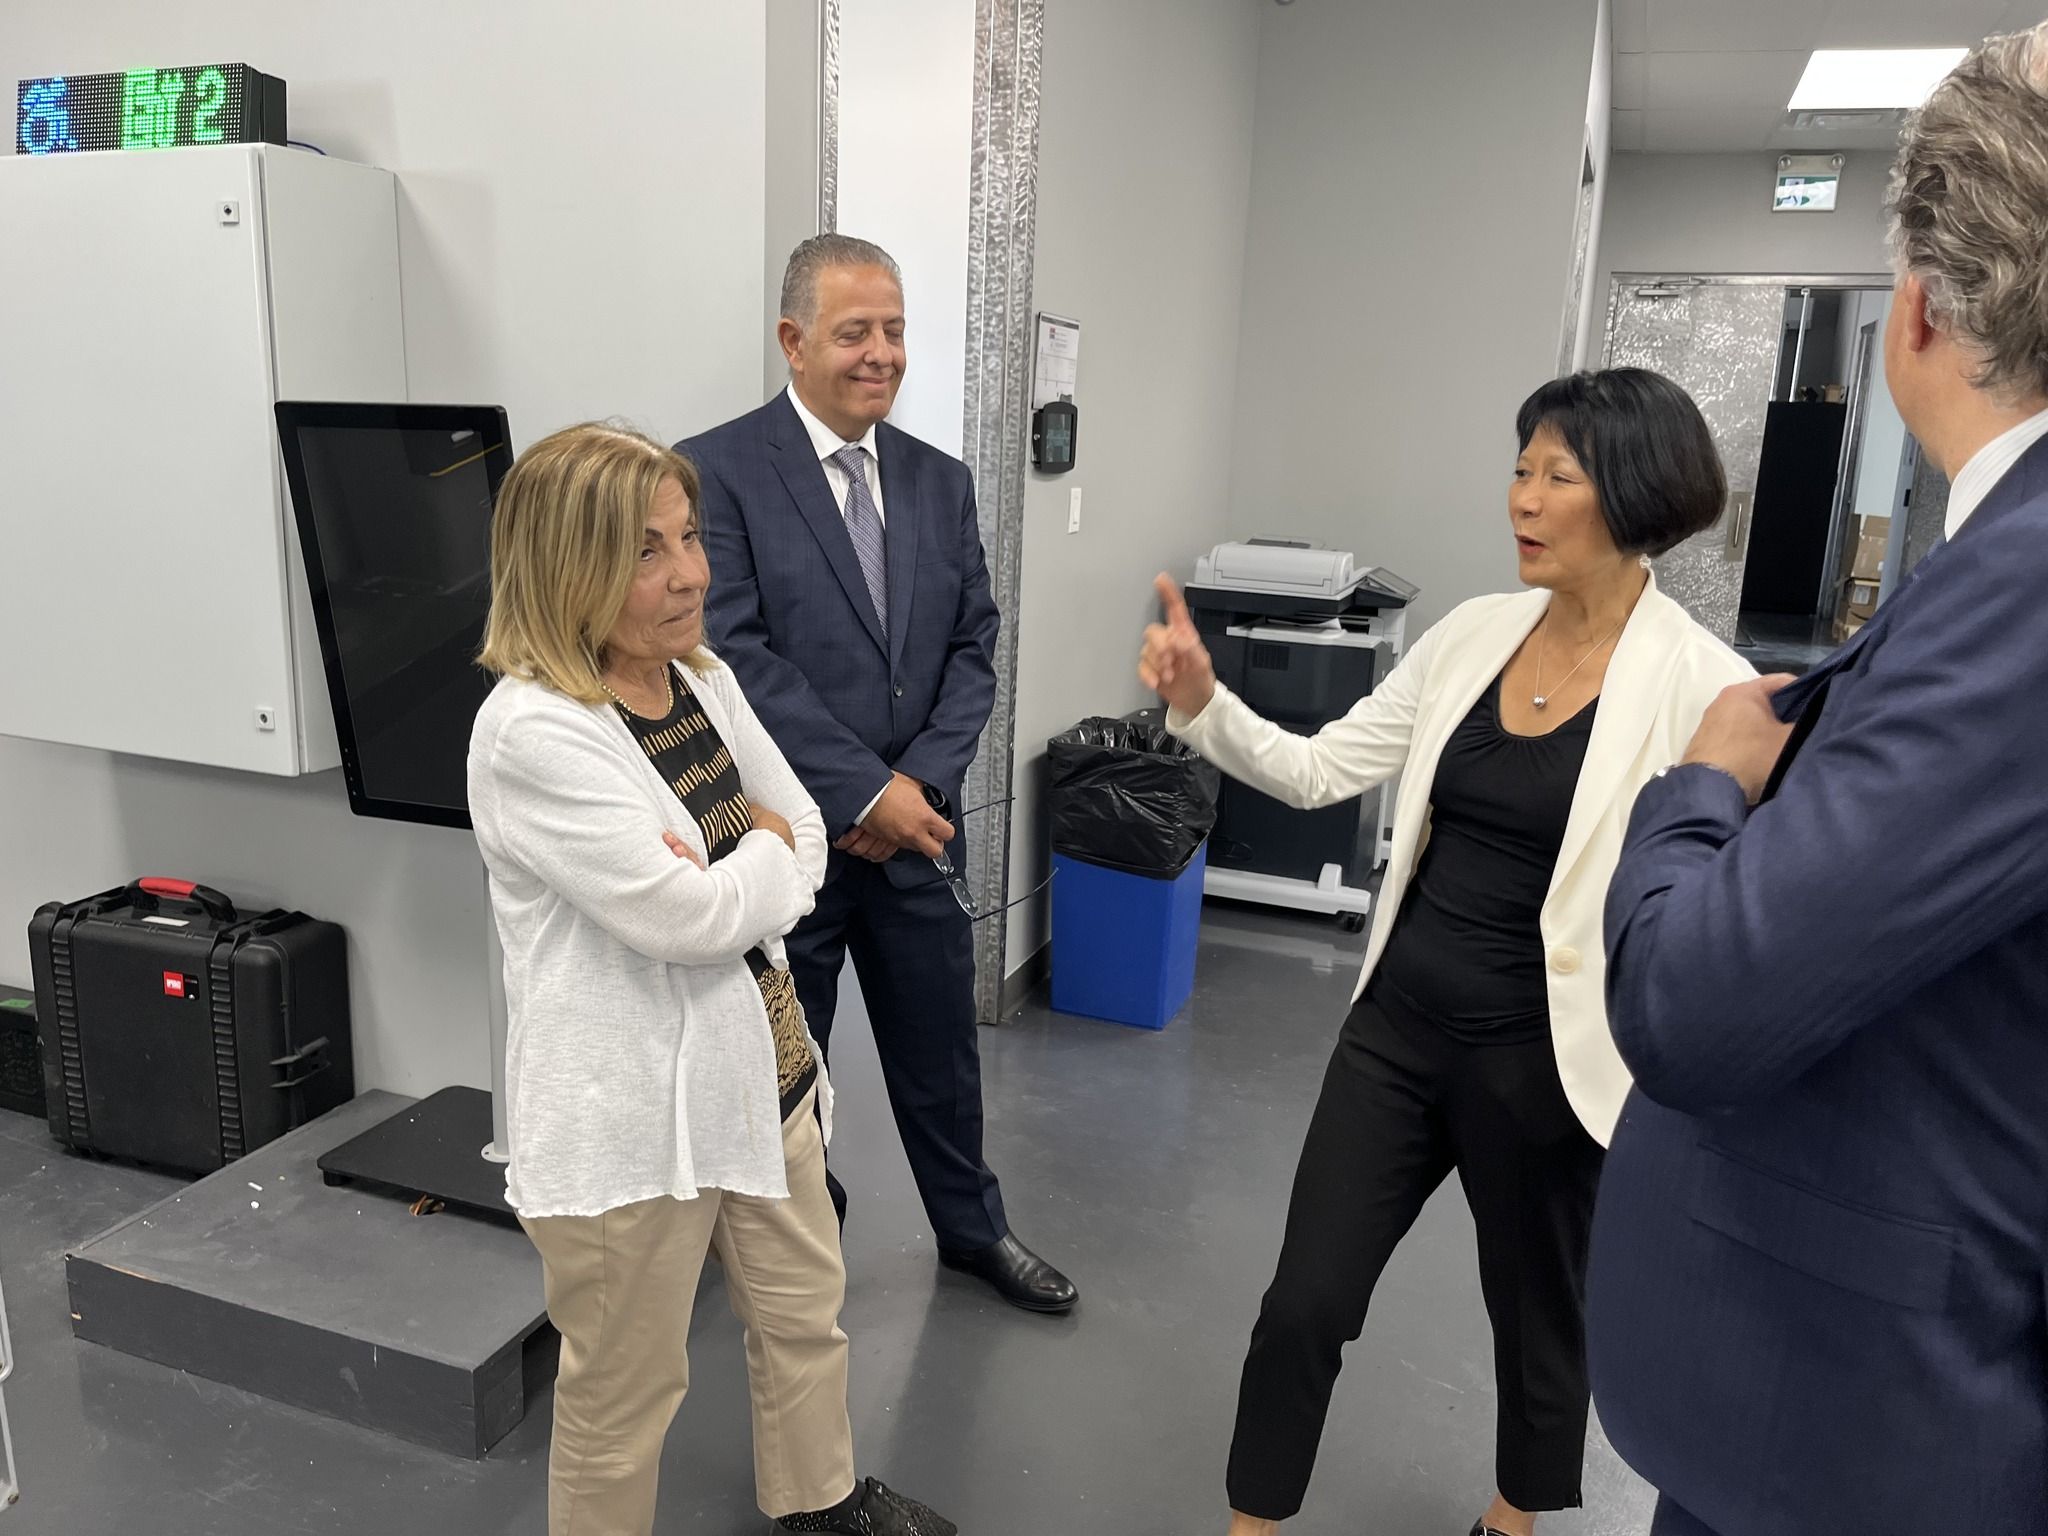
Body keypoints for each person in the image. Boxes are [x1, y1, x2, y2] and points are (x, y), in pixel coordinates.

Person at [1139, 369, 1753, 1536]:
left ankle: (1511, 1520)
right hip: (1396, 1031)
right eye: (1518, 468)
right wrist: (1205, 702)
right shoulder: (1472, 634)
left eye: (1554, 475)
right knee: (1303, 1301)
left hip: (1545, 1060)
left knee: (1535, 1323)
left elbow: (1725, 895)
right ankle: (1249, 1525)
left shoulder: (1702, 685)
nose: (1519, 497)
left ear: (1629, 495)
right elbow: (1321, 770)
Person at [1586, 25, 2048, 1536]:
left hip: (1863, 1432)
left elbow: (1699, 1000)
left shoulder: (2025, 584)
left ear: (1919, 308)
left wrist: (1705, 794)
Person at [468, 424, 954, 1536]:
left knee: (801, 1315)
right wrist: (759, 859)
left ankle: (818, 1504)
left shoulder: (699, 676)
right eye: (646, 552)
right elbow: (685, 917)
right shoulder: (534, 735)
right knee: (624, 1393)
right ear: (565, 566)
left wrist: (753, 864)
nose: (689, 572)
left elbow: (810, 838)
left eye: (687, 538)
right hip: (632, 1122)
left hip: (762, 1072)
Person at [680, 234, 1077, 1314]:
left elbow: (970, 649)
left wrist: (919, 794)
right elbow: (735, 653)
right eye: (854, 331)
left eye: (894, 330)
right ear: (792, 340)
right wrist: (863, 794)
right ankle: (789, 1230)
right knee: (784, 1055)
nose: (880, 353)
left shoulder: (937, 483)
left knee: (939, 1049)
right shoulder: (713, 473)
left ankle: (971, 1233)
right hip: (783, 838)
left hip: (915, 835)